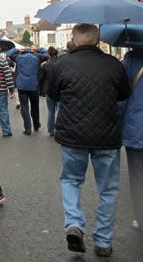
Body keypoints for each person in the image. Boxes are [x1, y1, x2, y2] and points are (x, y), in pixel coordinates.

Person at [48, 24, 130, 257]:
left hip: (73, 135)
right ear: (97, 40)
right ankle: (103, 241)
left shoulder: (62, 64)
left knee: (71, 180)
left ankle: (74, 223)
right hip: (107, 135)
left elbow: (53, 95)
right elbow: (124, 95)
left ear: (73, 38)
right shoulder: (114, 64)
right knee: (109, 189)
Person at [120, 48, 143, 233]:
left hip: (137, 127)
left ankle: (141, 218)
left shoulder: (130, 62)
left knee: (138, 176)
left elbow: (121, 97)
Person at [7, 45, 47, 135]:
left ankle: (27, 128)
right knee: (35, 106)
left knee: (24, 107)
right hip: (34, 85)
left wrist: (17, 49)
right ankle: (36, 124)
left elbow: (8, 54)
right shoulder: (37, 57)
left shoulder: (18, 57)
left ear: (23, 50)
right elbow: (46, 53)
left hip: (22, 85)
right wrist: (38, 49)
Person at [39, 47, 58, 137]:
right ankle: (59, 129)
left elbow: (41, 78)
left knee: (51, 111)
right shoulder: (61, 63)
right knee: (59, 110)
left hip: (49, 89)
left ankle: (51, 130)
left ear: (49, 55)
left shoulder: (45, 65)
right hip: (59, 89)